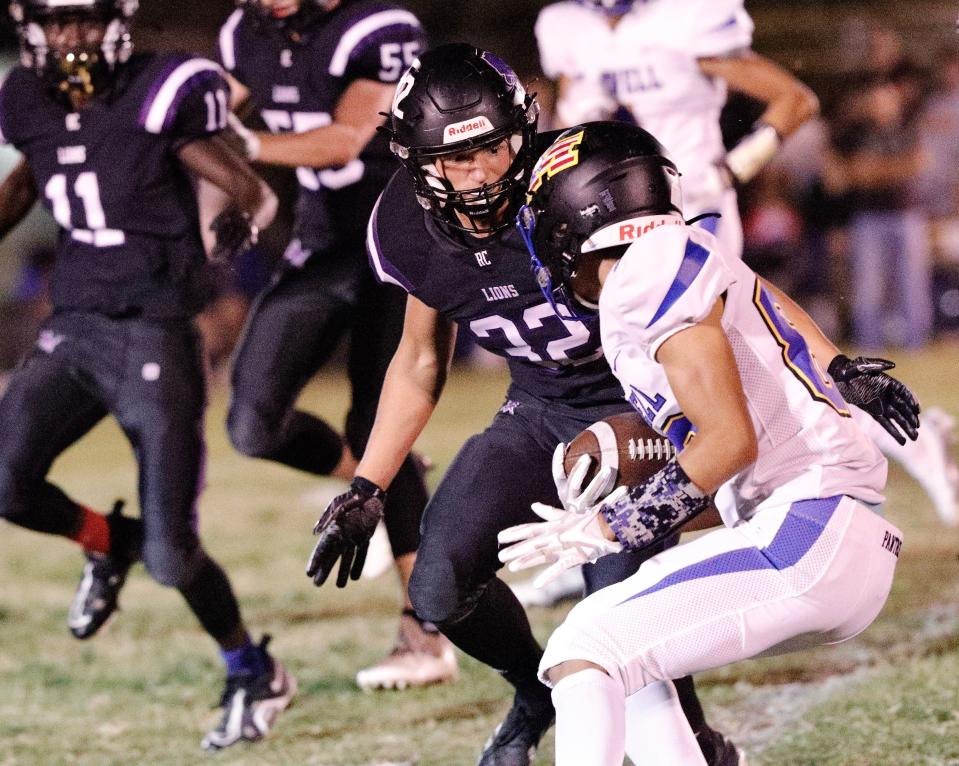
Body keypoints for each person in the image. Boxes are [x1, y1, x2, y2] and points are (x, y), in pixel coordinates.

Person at [305, 44, 745, 766]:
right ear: (415, 161)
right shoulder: (405, 223)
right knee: (439, 585)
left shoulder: (578, 184)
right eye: (455, 160)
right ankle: (533, 693)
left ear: (523, 131)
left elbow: (711, 285)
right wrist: (366, 487)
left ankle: (695, 746)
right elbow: (419, 362)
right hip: (539, 409)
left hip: (638, 413)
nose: (479, 174)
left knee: (617, 615)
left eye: (493, 149)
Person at [499, 121, 919, 765]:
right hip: (827, 532)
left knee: (583, 644)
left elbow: (727, 442)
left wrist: (614, 526)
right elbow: (767, 309)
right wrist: (833, 367)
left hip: (809, 530)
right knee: (627, 648)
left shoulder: (645, 274)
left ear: (571, 220)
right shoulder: (679, 250)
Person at [531, 0, 958, 559]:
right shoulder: (567, 28)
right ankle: (630, 528)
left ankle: (910, 443)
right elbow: (573, 129)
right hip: (605, 231)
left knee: (735, 380)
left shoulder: (683, 17)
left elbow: (795, 100)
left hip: (681, 218)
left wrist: (733, 170)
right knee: (677, 385)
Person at [0, 0, 295, 750]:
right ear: (30, 25)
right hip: (74, 328)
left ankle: (251, 668)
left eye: (85, 20)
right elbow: (34, 175)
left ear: (117, 21)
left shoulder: (155, 90)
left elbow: (246, 183)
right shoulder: (27, 98)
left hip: (155, 332)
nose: (71, 37)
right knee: (7, 483)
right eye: (57, 21)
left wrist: (245, 210)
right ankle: (105, 540)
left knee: (172, 555)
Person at [215, 0, 456, 690]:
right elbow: (210, 112)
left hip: (401, 236)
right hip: (322, 241)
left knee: (372, 416)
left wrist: (243, 148)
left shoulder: (379, 26)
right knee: (253, 421)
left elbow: (347, 138)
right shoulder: (245, 31)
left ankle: (425, 630)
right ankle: (380, 478)